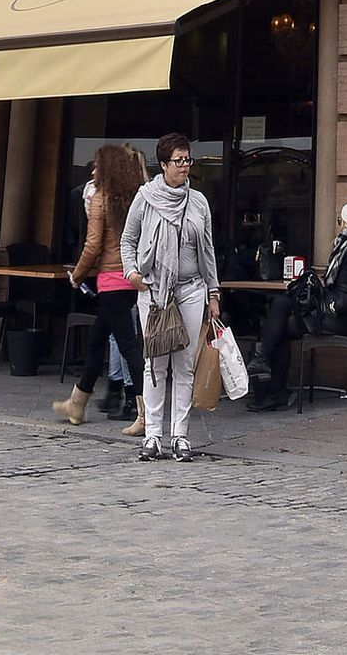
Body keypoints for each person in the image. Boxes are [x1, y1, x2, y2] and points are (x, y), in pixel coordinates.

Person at [120, 131, 220, 461]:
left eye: (188, 159)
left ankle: (180, 435)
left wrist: (213, 293)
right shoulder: (145, 198)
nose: (185, 165)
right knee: (155, 365)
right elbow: (128, 240)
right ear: (163, 164)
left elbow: (207, 250)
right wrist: (132, 274)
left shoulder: (198, 202)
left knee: (185, 365)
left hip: (191, 290)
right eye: (178, 161)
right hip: (153, 292)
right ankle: (152, 435)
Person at [246, 193, 347, 409]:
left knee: (280, 323)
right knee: (282, 304)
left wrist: (334, 306)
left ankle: (270, 378)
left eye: (341, 221)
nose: (339, 225)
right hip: (340, 316)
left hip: (340, 320)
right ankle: (265, 368)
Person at [53, 142, 145, 431]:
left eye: (97, 165)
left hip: (110, 280)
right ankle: (77, 403)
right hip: (132, 278)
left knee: (129, 346)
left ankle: (146, 414)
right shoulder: (135, 198)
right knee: (96, 342)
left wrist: (78, 275)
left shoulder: (99, 199)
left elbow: (92, 245)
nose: (93, 171)